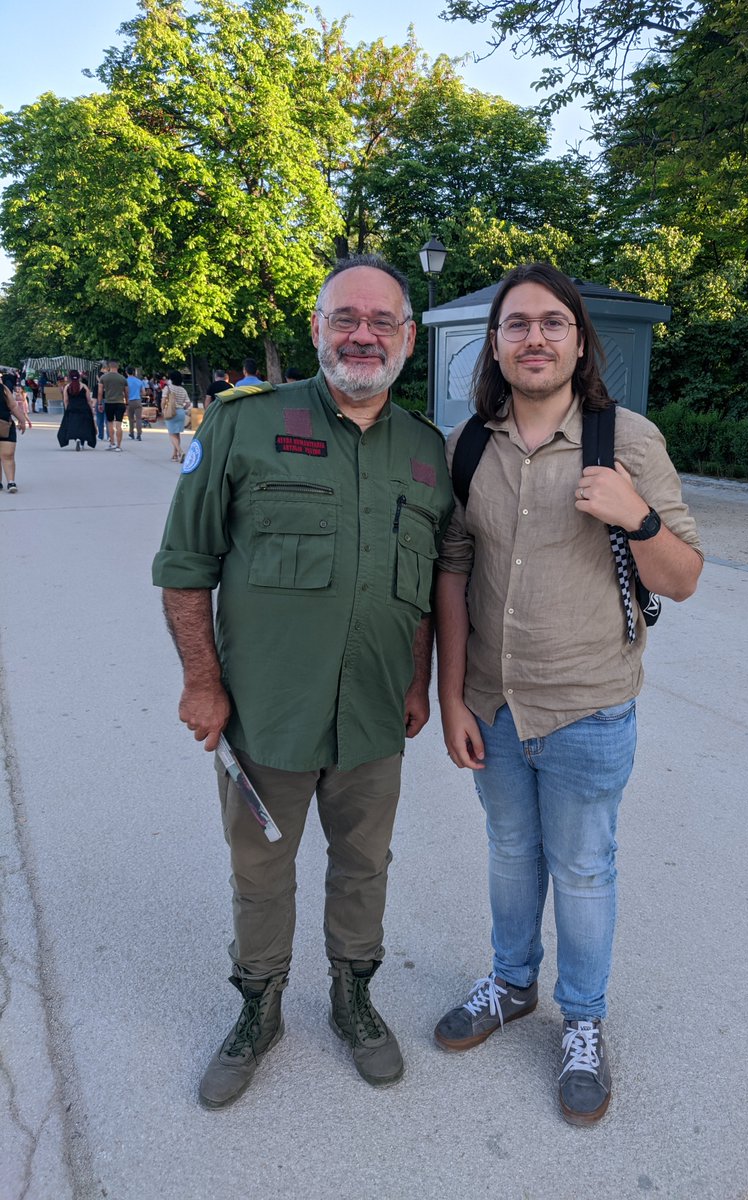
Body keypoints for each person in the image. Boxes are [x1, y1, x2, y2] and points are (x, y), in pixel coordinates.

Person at [152, 256, 452, 1108]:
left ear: (405, 338)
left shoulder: (427, 452)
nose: (362, 335)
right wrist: (201, 684)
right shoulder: (243, 425)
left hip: (371, 716)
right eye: (345, 318)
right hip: (265, 714)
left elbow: (427, 586)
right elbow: (185, 565)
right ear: (318, 328)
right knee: (261, 871)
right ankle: (259, 1007)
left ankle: (354, 998)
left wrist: (418, 680)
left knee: (364, 866)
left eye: (381, 322)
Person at [432, 263, 703, 1126]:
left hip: (589, 703)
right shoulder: (466, 443)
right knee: (511, 854)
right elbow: (453, 571)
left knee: (582, 870)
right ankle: (512, 984)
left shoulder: (626, 440)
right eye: (518, 325)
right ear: (496, 344)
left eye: (553, 323)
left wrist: (636, 515)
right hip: (491, 704)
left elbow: (685, 578)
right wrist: (449, 698)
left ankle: (581, 1018)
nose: (535, 338)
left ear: (579, 341)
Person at [0, 373, 29, 492]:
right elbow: (13, 406)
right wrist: (22, 421)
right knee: (8, 456)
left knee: (6, 455)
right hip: (5, 424)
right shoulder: (3, 389)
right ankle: (11, 482)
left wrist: (22, 420)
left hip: (4, 424)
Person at [57, 370, 97, 451]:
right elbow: (88, 400)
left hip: (72, 408)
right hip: (84, 408)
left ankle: (76, 439)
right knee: (84, 425)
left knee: (73, 425)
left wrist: (67, 409)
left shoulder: (67, 387)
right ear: (79, 377)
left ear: (69, 377)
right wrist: (91, 409)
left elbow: (66, 400)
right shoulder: (84, 386)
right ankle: (82, 442)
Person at [160, 370, 192, 461]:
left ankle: (181, 452)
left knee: (171, 433)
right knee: (176, 433)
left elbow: (163, 400)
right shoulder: (183, 389)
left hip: (171, 412)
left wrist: (163, 410)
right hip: (180, 412)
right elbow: (188, 403)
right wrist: (182, 407)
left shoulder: (168, 388)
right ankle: (175, 454)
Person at [98, 360, 128, 451]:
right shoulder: (123, 378)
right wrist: (127, 403)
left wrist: (99, 403)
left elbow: (100, 392)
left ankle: (112, 443)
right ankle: (119, 446)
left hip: (109, 403)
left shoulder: (103, 377)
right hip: (120, 403)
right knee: (119, 424)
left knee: (110, 423)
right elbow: (126, 392)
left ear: (108, 367)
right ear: (118, 367)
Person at [125, 367, 144, 441]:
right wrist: (138, 394)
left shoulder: (125, 381)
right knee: (139, 418)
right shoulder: (139, 381)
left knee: (131, 419)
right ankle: (139, 434)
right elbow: (144, 392)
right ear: (133, 372)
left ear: (126, 372)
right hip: (138, 400)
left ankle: (131, 433)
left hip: (129, 401)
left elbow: (125, 392)